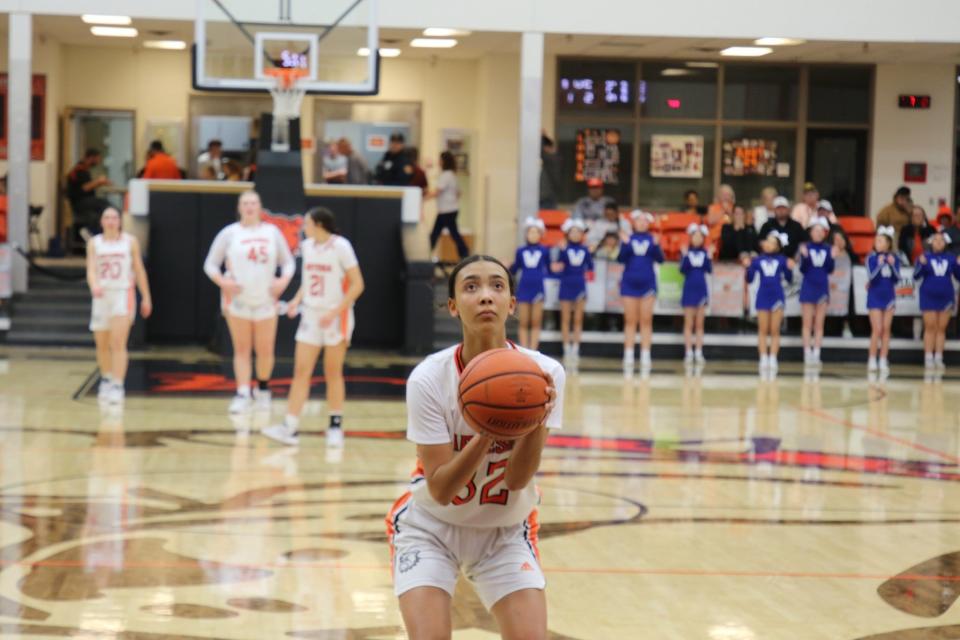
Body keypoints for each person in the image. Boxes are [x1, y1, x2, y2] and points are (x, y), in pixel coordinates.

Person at [386, 254, 564, 640]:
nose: (486, 296)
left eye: (497, 286)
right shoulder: (429, 379)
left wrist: (533, 423)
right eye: (471, 287)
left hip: (505, 530)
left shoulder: (544, 375)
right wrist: (487, 431)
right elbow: (441, 488)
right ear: (453, 306)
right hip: (432, 527)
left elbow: (517, 479)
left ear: (512, 304)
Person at [263, 207, 364, 449]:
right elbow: (308, 281)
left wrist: (334, 311)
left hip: (335, 316)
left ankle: (335, 426)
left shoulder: (341, 246)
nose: (302, 228)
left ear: (319, 225)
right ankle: (289, 425)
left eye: (306, 224)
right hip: (311, 315)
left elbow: (358, 285)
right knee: (301, 371)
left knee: (332, 372)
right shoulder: (307, 248)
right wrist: (296, 301)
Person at [203, 190, 296, 414]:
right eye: (245, 203)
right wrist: (223, 282)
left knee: (265, 350)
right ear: (239, 207)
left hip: (266, 299)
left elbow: (289, 263)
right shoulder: (229, 233)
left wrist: (283, 281)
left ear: (260, 206)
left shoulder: (272, 232)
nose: (249, 207)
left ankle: (263, 389)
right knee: (242, 349)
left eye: (253, 202)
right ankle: (243, 392)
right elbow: (210, 264)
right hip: (238, 300)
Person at [86, 207, 152, 405]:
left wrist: (146, 297)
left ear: (120, 221)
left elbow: (139, 270)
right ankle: (106, 378)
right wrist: (94, 285)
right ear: (101, 222)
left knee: (118, 342)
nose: (111, 221)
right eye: (107, 217)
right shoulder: (94, 243)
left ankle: (117, 384)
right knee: (102, 343)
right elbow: (90, 269)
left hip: (123, 294)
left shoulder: (130, 241)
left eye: (114, 217)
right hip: (101, 296)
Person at [618, 210, 664, 371]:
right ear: (634, 223)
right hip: (629, 284)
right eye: (639, 220)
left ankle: (645, 355)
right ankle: (628, 354)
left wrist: (657, 246)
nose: (642, 223)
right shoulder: (628, 239)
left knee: (646, 321)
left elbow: (660, 259)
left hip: (648, 285)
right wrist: (625, 244)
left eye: (645, 220)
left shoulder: (652, 239)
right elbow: (621, 259)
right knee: (630, 321)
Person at [746, 232, 794, 375]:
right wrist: (748, 267)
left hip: (777, 296)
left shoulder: (782, 260)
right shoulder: (757, 260)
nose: (768, 244)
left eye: (772, 242)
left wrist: (790, 268)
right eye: (767, 241)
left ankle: (773, 357)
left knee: (774, 330)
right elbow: (749, 279)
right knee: (762, 329)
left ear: (778, 246)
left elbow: (789, 279)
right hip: (762, 296)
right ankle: (763, 358)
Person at [914, 231, 960, 370]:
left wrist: (958, 265)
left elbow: (958, 277)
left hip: (946, 296)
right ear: (930, 242)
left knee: (941, 328)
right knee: (930, 327)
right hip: (928, 295)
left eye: (941, 240)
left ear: (945, 243)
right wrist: (921, 264)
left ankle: (938, 357)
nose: (939, 242)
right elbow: (916, 276)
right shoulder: (924, 257)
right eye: (936, 240)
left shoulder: (951, 258)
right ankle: (928, 357)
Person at [551, 218, 592, 363]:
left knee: (578, 318)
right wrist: (561, 252)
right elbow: (557, 267)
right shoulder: (563, 248)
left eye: (578, 232)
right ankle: (566, 347)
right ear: (567, 233)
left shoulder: (585, 249)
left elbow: (590, 268)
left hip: (580, 285)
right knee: (565, 318)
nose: (575, 234)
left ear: (582, 234)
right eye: (572, 231)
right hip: (565, 285)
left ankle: (576, 347)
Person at [798, 217, 836, 367]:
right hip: (808, 286)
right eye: (815, 230)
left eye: (821, 231)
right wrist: (805, 256)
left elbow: (830, 269)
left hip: (822, 287)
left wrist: (832, 257)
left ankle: (817, 352)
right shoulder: (805, 247)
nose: (818, 233)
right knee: (807, 323)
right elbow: (803, 269)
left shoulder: (828, 248)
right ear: (811, 232)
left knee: (819, 324)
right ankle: (807, 352)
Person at [509, 218, 550, 350]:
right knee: (524, 321)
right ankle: (524, 351)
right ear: (526, 234)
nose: (533, 235)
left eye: (536, 232)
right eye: (530, 232)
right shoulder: (520, 251)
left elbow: (549, 269)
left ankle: (533, 350)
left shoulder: (545, 251)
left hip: (538, 288)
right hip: (524, 288)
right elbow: (515, 268)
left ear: (540, 234)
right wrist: (506, 266)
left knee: (536, 321)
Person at [866, 226, 899, 373]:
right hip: (875, 296)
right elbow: (872, 277)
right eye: (876, 240)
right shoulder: (871, 258)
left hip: (889, 297)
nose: (877, 243)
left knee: (886, 330)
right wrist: (879, 265)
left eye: (881, 241)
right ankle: (872, 358)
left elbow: (897, 279)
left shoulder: (894, 258)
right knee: (877, 329)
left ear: (888, 244)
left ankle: (884, 359)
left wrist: (891, 265)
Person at [428, 151, 469, 262]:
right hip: (449, 210)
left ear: (444, 161)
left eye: (440, 160)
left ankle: (465, 254)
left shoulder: (446, 175)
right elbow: (459, 193)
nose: (439, 162)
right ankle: (465, 254)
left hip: (447, 211)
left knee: (447, 234)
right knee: (439, 234)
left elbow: (438, 191)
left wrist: (424, 197)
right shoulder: (452, 174)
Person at [680, 223, 711, 365]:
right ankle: (688, 351)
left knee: (699, 324)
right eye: (695, 236)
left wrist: (709, 256)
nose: (697, 239)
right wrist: (685, 255)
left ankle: (698, 351)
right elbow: (683, 270)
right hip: (689, 289)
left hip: (701, 290)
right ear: (691, 237)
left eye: (700, 237)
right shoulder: (686, 252)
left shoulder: (705, 253)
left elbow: (709, 269)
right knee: (688, 323)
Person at [66, 149, 112, 238]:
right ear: (91, 158)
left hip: (84, 201)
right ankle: (92, 231)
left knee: (101, 210)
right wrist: (99, 181)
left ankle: (98, 233)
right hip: (80, 202)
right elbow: (85, 188)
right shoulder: (79, 170)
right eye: (98, 159)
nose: (99, 161)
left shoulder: (84, 170)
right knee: (106, 206)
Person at [539, 134, 561, 210]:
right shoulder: (553, 160)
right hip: (547, 198)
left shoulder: (552, 159)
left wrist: (542, 137)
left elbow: (541, 151)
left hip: (547, 200)